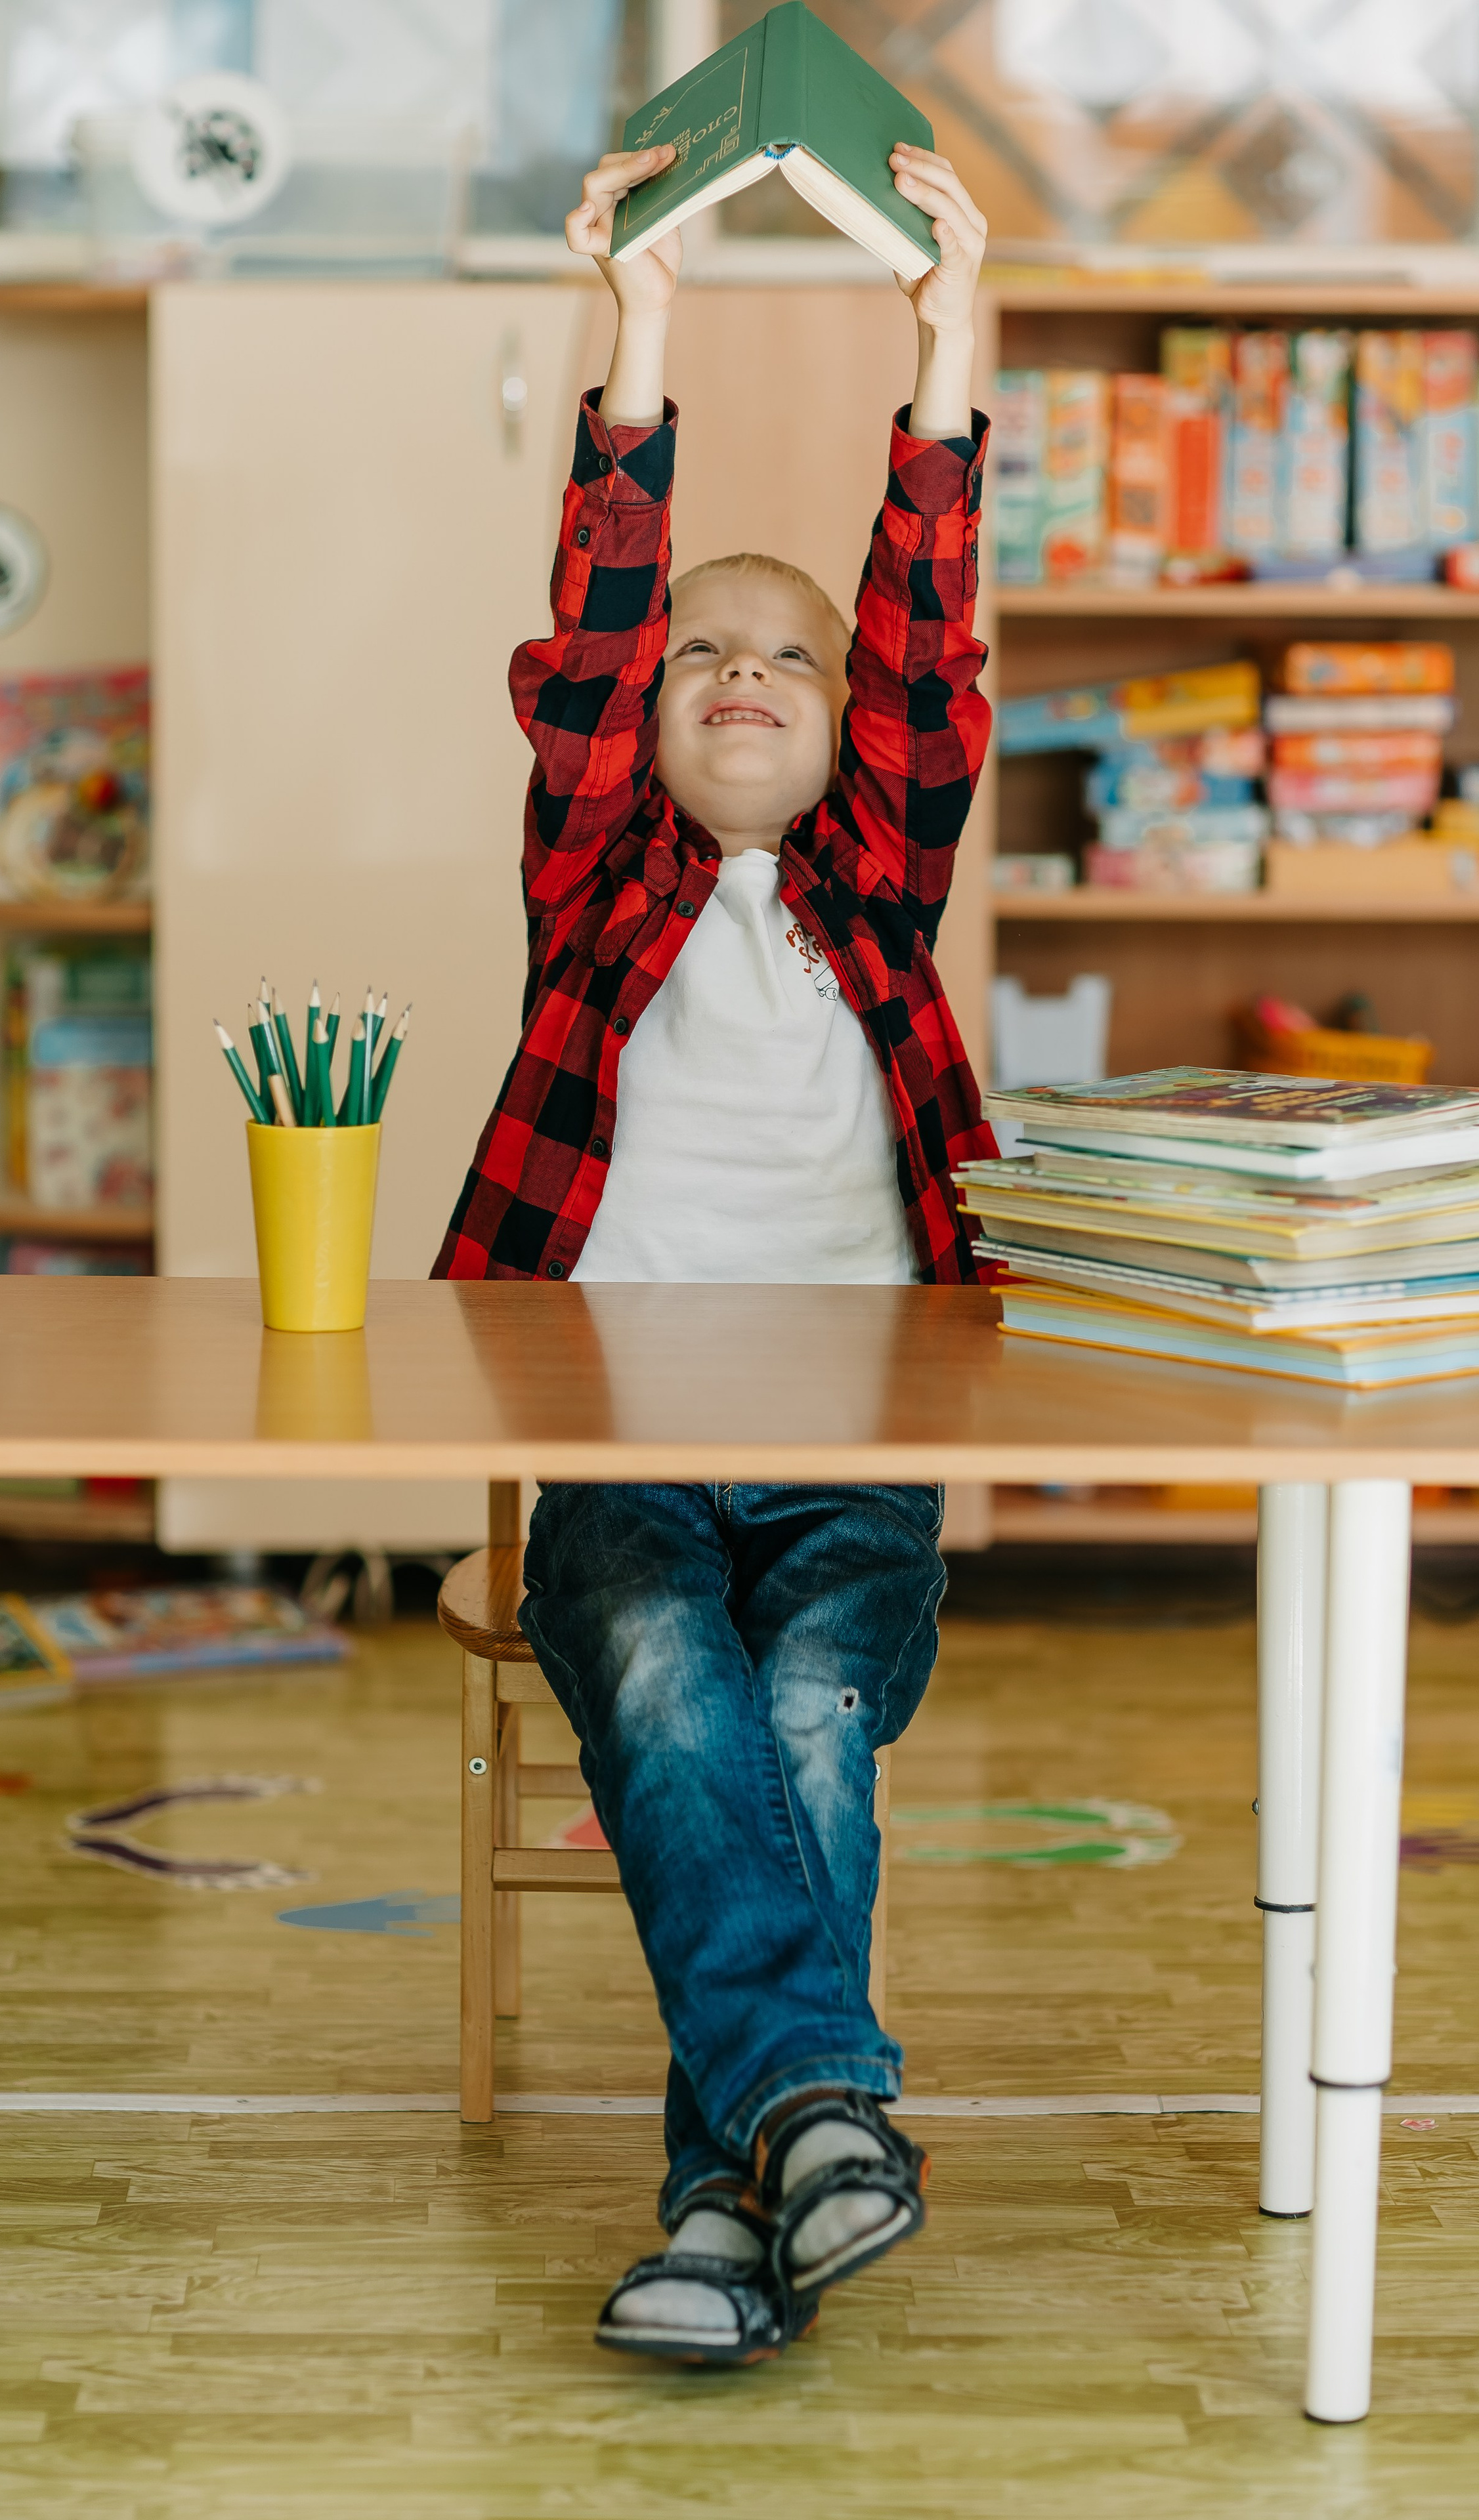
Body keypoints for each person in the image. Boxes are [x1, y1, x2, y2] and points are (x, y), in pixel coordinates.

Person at [434, 135, 997, 2364]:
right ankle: (811, 2131)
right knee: (689, 1679)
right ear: (646, 728)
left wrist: (944, 352)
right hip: (626, 1455)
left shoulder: (879, 885)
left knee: (807, 1707)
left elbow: (936, 647)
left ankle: (727, 2196)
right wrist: (637, 335)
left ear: (847, 731)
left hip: (860, 1451)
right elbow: (585, 639)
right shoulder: (601, 886)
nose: (741, 673)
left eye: (792, 656)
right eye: (702, 659)